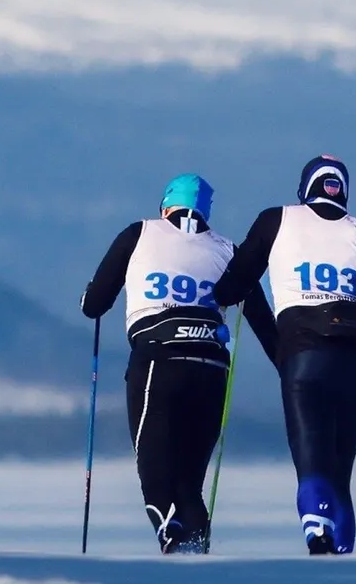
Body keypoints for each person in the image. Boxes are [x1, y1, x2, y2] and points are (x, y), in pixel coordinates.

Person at [211, 154, 356, 555]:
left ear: (304, 190)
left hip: (304, 353)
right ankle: (341, 558)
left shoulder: (276, 219)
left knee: (313, 461)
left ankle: (317, 538)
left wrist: (222, 296)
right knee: (340, 473)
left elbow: (232, 287)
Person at [79, 173, 278, 555]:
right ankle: (198, 556)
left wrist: (89, 296)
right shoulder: (228, 250)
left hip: (158, 358)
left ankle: (173, 542)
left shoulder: (139, 234)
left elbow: (95, 305)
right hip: (211, 365)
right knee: (189, 482)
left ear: (165, 206)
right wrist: (291, 372)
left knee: (154, 472)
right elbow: (266, 328)